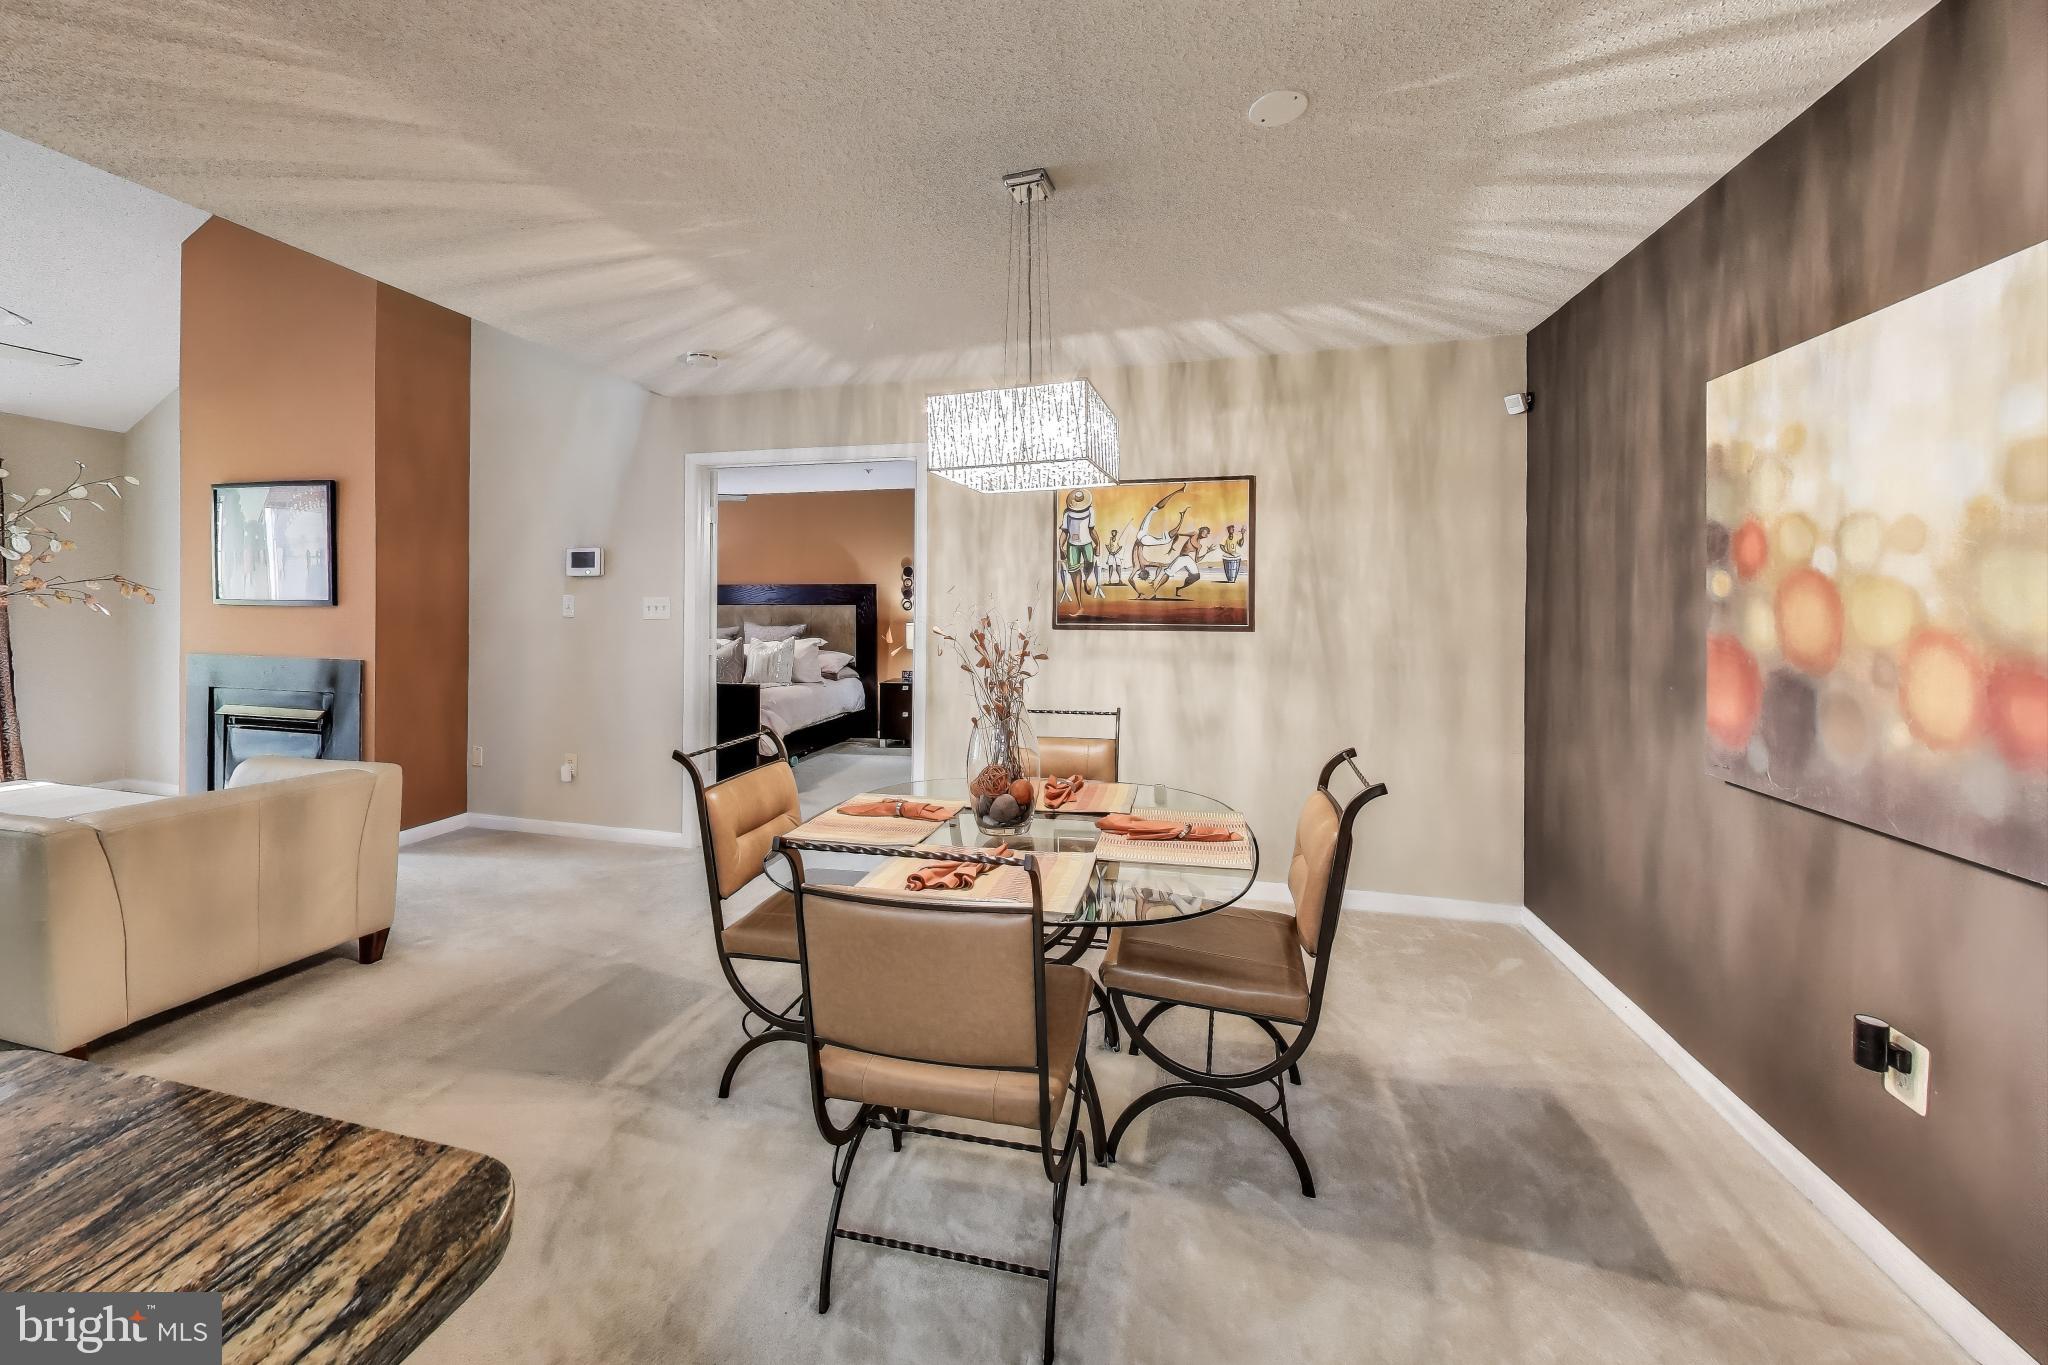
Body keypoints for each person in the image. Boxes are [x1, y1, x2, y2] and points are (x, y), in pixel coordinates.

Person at [1057, 488, 1098, 601]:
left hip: (1087, 543)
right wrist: (1061, 547)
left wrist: (1097, 544)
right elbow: (1065, 531)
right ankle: (1080, 604)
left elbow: (1091, 529)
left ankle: (1085, 580)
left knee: (1089, 563)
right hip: (1072, 545)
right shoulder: (1067, 513)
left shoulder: (1090, 511)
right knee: (1074, 572)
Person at [1161, 524, 1213, 597]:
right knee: (1168, 573)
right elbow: (1178, 534)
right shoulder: (1194, 533)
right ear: (1201, 531)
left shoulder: (1199, 546)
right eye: (1205, 532)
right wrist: (1172, 545)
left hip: (1188, 558)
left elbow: (1197, 560)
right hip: (1182, 557)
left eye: (1206, 533)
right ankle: (1154, 589)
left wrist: (1207, 553)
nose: (1205, 534)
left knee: (1196, 576)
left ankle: (1179, 588)